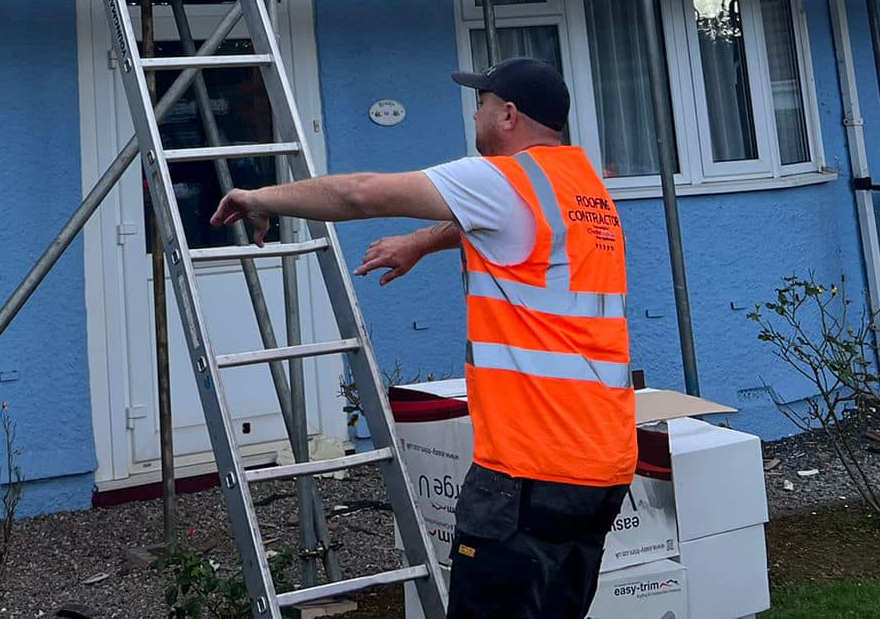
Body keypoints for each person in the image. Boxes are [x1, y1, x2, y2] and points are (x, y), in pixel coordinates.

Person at [211, 58, 633, 619]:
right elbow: (491, 225)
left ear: (507, 115)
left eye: (480, 103)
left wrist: (261, 198)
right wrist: (419, 243)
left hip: (530, 470)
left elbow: (359, 195)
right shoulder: (581, 189)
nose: (475, 113)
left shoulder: (505, 180)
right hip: (599, 466)